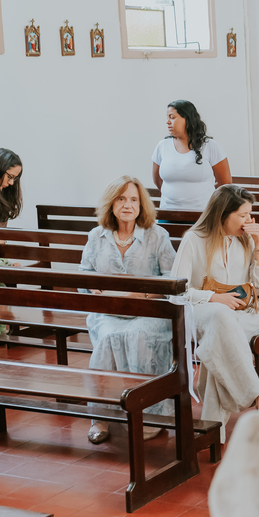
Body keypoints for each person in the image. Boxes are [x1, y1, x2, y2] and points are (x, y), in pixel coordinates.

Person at [172, 185, 259, 436]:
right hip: (202, 312)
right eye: (242, 215)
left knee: (217, 344)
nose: (248, 221)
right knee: (220, 319)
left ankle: (212, 432)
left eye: (250, 215)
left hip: (244, 315)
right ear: (222, 214)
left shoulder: (247, 240)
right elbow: (176, 290)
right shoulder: (194, 239)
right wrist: (213, 297)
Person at [81, 176, 177, 445]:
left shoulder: (158, 235)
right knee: (110, 338)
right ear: (111, 204)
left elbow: (172, 278)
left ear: (141, 205)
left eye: (133, 199)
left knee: (138, 335)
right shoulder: (96, 235)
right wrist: (92, 289)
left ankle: (150, 415)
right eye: (121, 199)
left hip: (149, 311)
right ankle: (100, 417)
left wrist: (143, 294)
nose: (127, 205)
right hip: (108, 313)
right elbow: (84, 273)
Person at [152, 100, 231, 211]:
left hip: (203, 216)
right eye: (167, 118)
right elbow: (157, 180)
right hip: (168, 213)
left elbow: (225, 183)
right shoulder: (162, 146)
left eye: (172, 117)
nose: (167, 122)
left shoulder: (210, 146)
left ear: (187, 119)